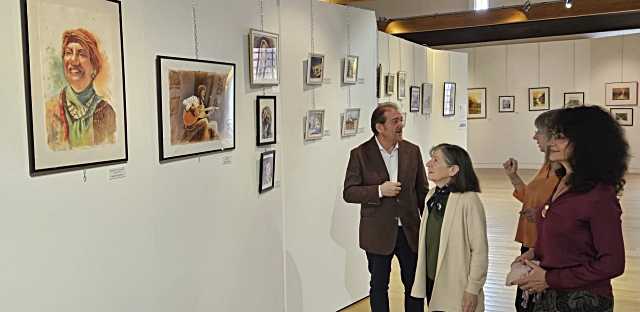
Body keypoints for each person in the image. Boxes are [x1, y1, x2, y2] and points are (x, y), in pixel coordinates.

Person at [515, 106, 628, 311]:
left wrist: (551, 278)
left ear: (585, 142)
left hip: (582, 301)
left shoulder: (599, 195)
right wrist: (534, 253)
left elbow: (613, 263)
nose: (551, 143)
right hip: (550, 295)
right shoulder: (561, 182)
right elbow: (566, 238)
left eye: (560, 137)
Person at [343, 103, 428, 312]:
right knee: (379, 286)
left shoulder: (412, 151)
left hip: (409, 231)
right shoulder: (360, 154)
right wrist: (379, 191)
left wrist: (431, 223)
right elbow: (349, 192)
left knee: (414, 286)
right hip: (377, 234)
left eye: (401, 120)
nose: (401, 125)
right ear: (379, 127)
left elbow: (422, 191)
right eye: (395, 121)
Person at [411, 144, 488, 312]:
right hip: (433, 279)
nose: (428, 164)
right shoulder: (431, 196)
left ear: (453, 170)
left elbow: (480, 250)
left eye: (436, 160)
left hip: (457, 286)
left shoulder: (469, 200)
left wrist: (472, 289)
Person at [502, 110, 560, 312]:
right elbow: (530, 198)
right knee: (524, 303)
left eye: (539, 132)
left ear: (554, 135)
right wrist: (513, 176)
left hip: (545, 247)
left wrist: (541, 215)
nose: (534, 136)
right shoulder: (548, 166)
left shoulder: (565, 171)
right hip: (531, 243)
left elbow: (564, 212)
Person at [45, 28, 116, 150]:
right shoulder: (51, 109)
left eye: (82, 54)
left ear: (94, 65)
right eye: (68, 53)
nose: (73, 60)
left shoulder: (107, 112)